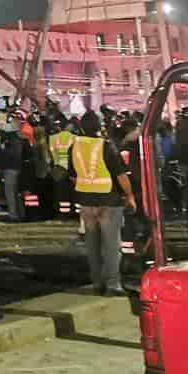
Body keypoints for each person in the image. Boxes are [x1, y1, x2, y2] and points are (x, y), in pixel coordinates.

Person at [70, 111, 136, 296]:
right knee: (111, 245)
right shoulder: (105, 146)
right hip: (109, 201)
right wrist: (129, 195)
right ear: (99, 127)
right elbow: (120, 175)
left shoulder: (74, 146)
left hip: (85, 201)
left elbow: (72, 175)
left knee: (92, 245)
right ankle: (113, 285)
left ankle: (97, 283)